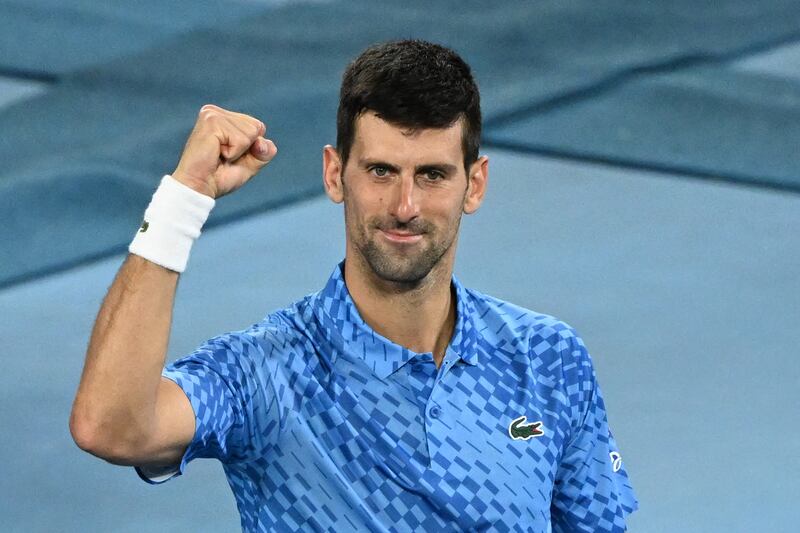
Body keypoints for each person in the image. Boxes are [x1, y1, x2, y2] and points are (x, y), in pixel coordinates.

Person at [70, 39, 638, 532]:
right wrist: (184, 197)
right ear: (335, 174)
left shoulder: (549, 357)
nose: (405, 206)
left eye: (432, 175)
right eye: (381, 171)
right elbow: (109, 427)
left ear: (475, 183)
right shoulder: (264, 374)